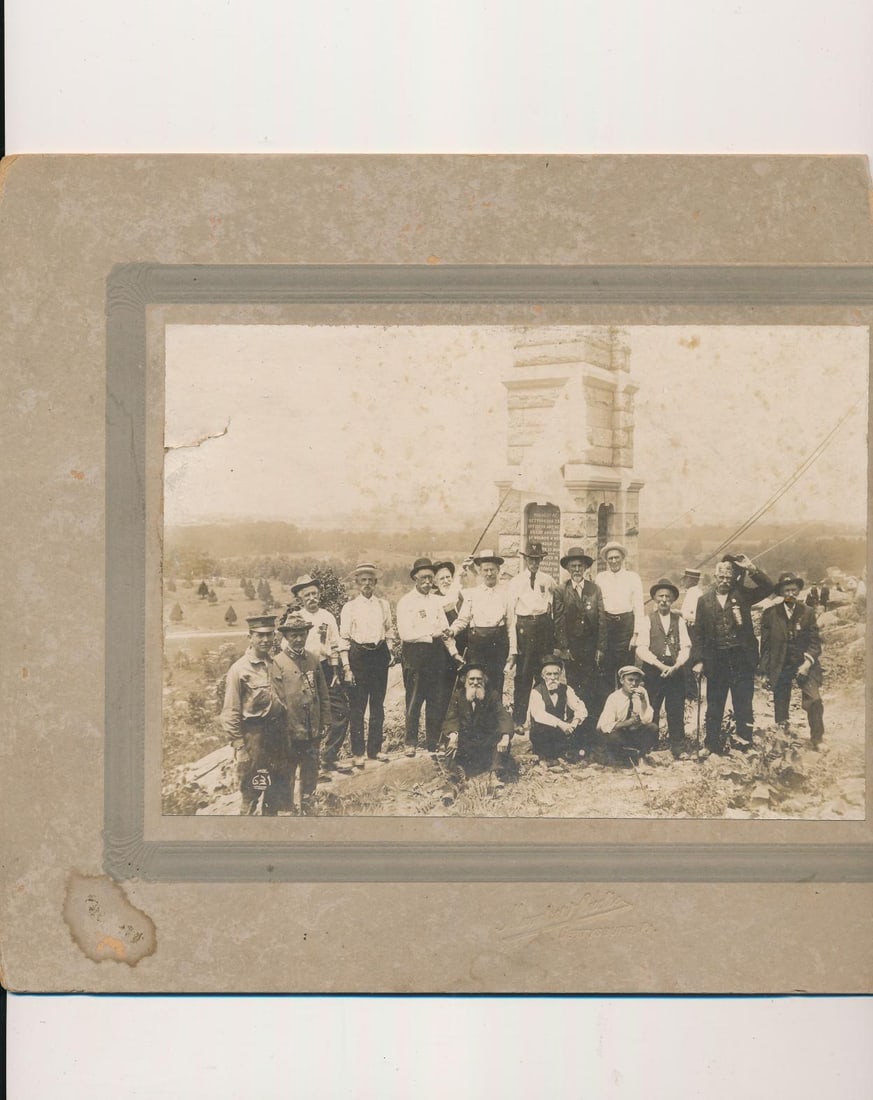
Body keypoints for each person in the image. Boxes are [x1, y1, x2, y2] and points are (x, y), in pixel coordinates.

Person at [691, 553, 774, 754]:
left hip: (741, 658)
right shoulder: (704, 601)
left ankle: (744, 744)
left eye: (729, 578)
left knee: (743, 703)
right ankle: (711, 745)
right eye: (721, 577)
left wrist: (751, 568)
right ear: (715, 577)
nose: (725, 581)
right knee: (715, 704)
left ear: (734, 578)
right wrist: (699, 660)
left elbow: (768, 588)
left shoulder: (742, 595)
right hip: (716, 660)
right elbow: (699, 633)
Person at [220, 615, 289, 815]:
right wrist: (240, 747)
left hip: (277, 734)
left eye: (270, 635)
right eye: (260, 635)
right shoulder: (239, 670)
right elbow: (230, 711)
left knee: (275, 789)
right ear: (250, 636)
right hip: (254, 737)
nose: (266, 640)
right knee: (252, 789)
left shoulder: (275, 663)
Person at [284, 573, 350, 775]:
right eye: (307, 595)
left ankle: (329, 758)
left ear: (319, 594)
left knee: (340, 711)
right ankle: (309, 768)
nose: (312, 598)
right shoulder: (296, 619)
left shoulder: (327, 616)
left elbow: (334, 644)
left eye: (314, 593)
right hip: (302, 669)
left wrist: (336, 670)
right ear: (300, 599)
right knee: (309, 718)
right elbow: (285, 648)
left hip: (326, 668)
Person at [396, 557, 463, 756]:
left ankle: (433, 742)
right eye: (423, 578)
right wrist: (429, 635)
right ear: (415, 578)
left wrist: (454, 652)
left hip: (437, 655)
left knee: (436, 699)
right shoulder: (406, 602)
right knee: (415, 699)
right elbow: (405, 634)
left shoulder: (436, 601)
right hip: (415, 654)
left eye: (430, 578)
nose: (427, 582)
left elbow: (444, 630)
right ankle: (411, 743)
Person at [273, 615, 332, 815]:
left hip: (312, 728)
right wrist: (284, 728)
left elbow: (322, 691)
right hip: (290, 729)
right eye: (293, 635)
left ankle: (308, 805)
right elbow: (278, 700)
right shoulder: (278, 663)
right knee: (287, 771)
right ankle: (287, 810)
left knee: (311, 769)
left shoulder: (313, 659)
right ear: (287, 637)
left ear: (307, 634)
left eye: (301, 634)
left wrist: (324, 719)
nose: (298, 639)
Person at [338, 562, 396, 765]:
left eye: (371, 580)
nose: (367, 584)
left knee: (377, 705)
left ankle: (375, 750)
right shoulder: (350, 607)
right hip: (358, 656)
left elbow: (389, 630)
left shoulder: (383, 605)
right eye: (363, 580)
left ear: (376, 582)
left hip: (378, 654)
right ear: (357, 583)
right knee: (358, 706)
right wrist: (346, 667)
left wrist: (389, 649)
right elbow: (344, 638)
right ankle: (358, 753)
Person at [760, 572, 825, 748]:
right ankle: (783, 738)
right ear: (781, 592)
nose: (791, 594)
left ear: (799, 591)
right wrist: (765, 671)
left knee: (814, 700)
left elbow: (815, 642)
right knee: (781, 700)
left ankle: (817, 739)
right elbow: (765, 646)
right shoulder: (770, 614)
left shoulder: (808, 612)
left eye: (794, 590)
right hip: (781, 663)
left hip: (804, 662)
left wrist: (807, 663)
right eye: (787, 590)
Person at [552, 546, 605, 745]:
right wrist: (564, 647)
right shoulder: (560, 590)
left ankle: (590, 734)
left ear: (585, 568)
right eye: (573, 566)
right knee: (573, 689)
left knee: (591, 688)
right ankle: (574, 734)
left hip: (590, 648)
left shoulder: (594, 589)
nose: (576, 569)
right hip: (572, 648)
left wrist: (600, 648)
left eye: (580, 566)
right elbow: (558, 620)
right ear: (567, 568)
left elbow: (601, 619)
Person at [635, 578, 692, 755]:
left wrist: (677, 665)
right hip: (653, 670)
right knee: (652, 707)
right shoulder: (647, 620)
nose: (664, 600)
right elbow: (641, 648)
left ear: (673, 599)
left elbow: (686, 646)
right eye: (660, 596)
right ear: (654, 599)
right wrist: (659, 665)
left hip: (675, 670)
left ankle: (677, 746)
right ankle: (650, 746)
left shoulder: (679, 621)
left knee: (675, 709)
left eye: (668, 596)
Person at [505, 540, 557, 731]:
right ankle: (519, 720)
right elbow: (511, 614)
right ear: (526, 560)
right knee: (524, 674)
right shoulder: (516, 582)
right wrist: (513, 645)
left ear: (541, 560)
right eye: (531, 559)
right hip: (524, 628)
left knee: (543, 672)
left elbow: (555, 599)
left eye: (537, 560)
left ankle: (542, 719)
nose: (534, 563)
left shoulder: (547, 579)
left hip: (543, 627)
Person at [449, 549, 512, 699]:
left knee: (496, 683)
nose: (489, 573)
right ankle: (475, 719)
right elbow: (463, 620)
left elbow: (511, 624)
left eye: (492, 570)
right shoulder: (472, 594)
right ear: (480, 572)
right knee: (476, 681)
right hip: (477, 645)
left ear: (498, 571)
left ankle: (494, 720)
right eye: (486, 570)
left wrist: (512, 652)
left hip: (498, 643)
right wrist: (452, 631)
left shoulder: (506, 593)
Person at [440, 661, 514, 777]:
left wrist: (506, 736)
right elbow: (451, 718)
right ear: (465, 680)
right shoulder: (458, 696)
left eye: (479, 679)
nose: (475, 682)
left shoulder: (492, 695)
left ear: (484, 680)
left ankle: (495, 775)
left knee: (502, 737)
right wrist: (454, 735)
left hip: (486, 744)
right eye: (472, 679)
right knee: (449, 741)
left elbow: (503, 716)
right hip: (467, 744)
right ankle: (454, 778)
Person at [594, 541, 645, 694]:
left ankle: (628, 710)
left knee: (626, 671)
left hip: (625, 627)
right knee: (606, 671)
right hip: (607, 627)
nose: (614, 561)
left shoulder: (633, 577)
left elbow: (638, 607)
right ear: (606, 560)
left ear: (622, 559)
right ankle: (609, 712)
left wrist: (635, 635)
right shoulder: (601, 578)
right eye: (610, 558)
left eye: (617, 558)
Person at [526, 653, 587, 763]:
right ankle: (552, 755)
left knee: (584, 724)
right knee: (545, 737)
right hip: (543, 731)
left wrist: (575, 722)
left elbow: (580, 707)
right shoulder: (536, 691)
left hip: (560, 731)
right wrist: (561, 724)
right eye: (549, 674)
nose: (553, 678)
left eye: (556, 674)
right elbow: (539, 715)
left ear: (560, 674)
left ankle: (564, 753)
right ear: (543, 676)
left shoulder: (566, 689)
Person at [596, 665, 660, 763]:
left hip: (635, 733)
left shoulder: (642, 692)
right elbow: (604, 726)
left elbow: (647, 719)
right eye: (630, 680)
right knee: (613, 737)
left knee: (653, 728)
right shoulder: (614, 697)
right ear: (622, 681)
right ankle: (623, 758)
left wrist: (643, 701)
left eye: (637, 681)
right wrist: (628, 722)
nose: (634, 684)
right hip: (620, 733)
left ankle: (640, 755)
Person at [430, 560, 465, 737]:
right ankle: (440, 733)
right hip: (443, 655)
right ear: (435, 582)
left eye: (449, 577)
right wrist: (459, 576)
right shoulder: (435, 598)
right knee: (443, 694)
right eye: (442, 578)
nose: (446, 580)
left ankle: (457, 731)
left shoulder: (461, 597)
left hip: (461, 652)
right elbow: (448, 602)